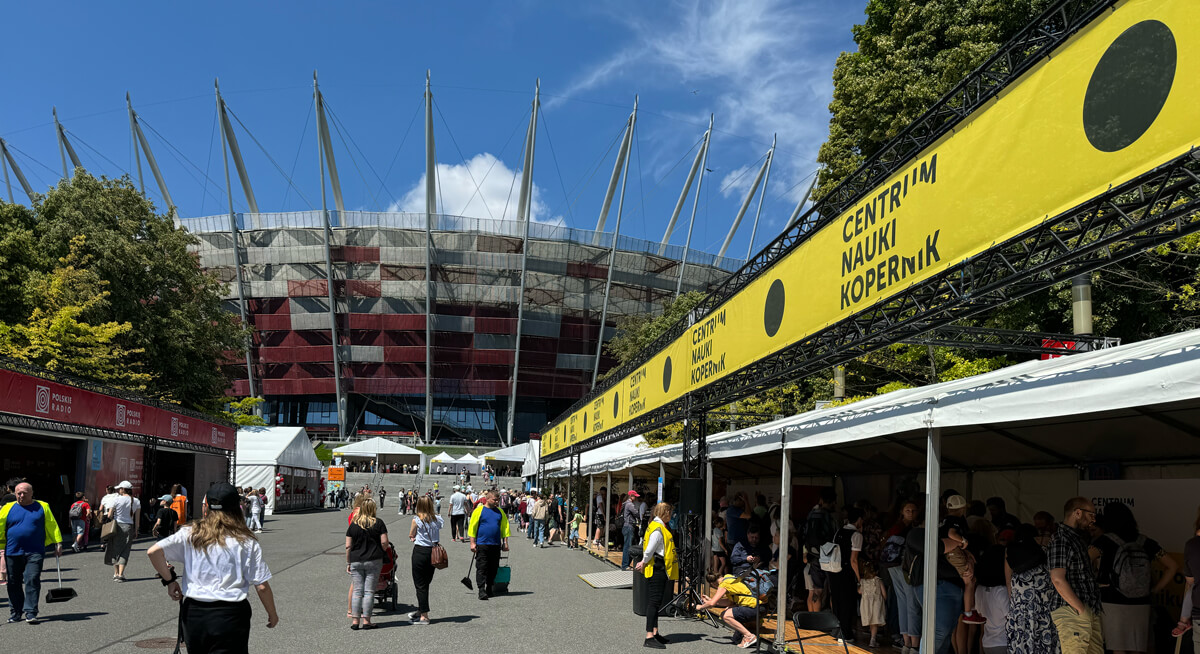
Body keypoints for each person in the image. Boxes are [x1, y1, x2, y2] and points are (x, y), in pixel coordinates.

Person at [147, 482, 278, 652]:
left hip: (194, 611)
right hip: (230, 614)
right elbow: (261, 585)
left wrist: (170, 581)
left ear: (206, 506)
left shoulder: (190, 533)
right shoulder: (245, 540)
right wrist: (272, 613)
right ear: (237, 507)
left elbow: (153, 552)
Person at [1091, 502, 1174, 654]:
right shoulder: (1145, 541)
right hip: (1141, 602)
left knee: (1118, 648)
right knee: (1138, 646)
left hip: (1112, 601)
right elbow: (1173, 566)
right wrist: (1155, 589)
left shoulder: (1104, 541)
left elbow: (1083, 560)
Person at [1, 482, 63, 624]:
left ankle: (30, 612)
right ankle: (16, 612)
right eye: (18, 493)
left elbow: (52, 525)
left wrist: (58, 542)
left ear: (32, 493)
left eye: (24, 493)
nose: (21, 495)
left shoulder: (43, 506)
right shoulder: (7, 508)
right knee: (13, 582)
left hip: (35, 551)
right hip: (12, 551)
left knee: (32, 579)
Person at [1048, 497, 1103, 654]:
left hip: (1086, 608)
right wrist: (1080, 609)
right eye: (1091, 514)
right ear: (1078, 513)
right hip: (1073, 611)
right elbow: (1057, 578)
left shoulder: (1075, 539)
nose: (1094, 519)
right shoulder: (1061, 540)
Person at [1005, 524, 1059, 653]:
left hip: (1020, 608)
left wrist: (1013, 606)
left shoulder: (1010, 551)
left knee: (1022, 642)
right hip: (1044, 607)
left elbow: (1008, 581)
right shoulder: (1044, 547)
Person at [634, 503, 677, 649]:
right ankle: (649, 636)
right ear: (665, 512)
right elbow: (650, 548)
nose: (671, 515)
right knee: (653, 602)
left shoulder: (657, 526)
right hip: (657, 568)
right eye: (670, 512)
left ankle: (655, 632)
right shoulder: (658, 529)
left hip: (659, 568)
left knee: (656, 602)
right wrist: (643, 561)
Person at [942, 495, 986, 624]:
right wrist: (963, 541)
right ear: (961, 509)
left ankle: (970, 610)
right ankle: (968, 612)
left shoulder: (944, 519)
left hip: (952, 552)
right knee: (969, 581)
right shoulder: (955, 520)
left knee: (971, 580)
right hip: (954, 552)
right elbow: (951, 533)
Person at [345, 498, 388, 629]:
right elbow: (384, 542)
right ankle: (367, 621)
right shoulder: (379, 523)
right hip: (374, 560)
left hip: (356, 560)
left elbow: (348, 546)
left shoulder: (354, 524)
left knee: (358, 591)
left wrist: (348, 562)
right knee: (369, 591)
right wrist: (383, 550)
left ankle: (355, 621)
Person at [883, 500, 919, 653]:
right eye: (908, 510)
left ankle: (906, 642)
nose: (910, 513)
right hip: (904, 567)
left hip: (892, 565)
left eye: (912, 510)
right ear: (902, 512)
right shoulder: (909, 529)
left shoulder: (894, 527)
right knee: (911, 603)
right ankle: (913, 642)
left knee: (902, 601)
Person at [697, 572, 762, 649]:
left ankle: (749, 636)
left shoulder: (724, 584)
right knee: (731, 609)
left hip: (753, 608)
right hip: (761, 607)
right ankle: (742, 636)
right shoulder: (730, 578)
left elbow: (712, 604)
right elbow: (729, 602)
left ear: (713, 583)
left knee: (726, 615)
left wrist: (700, 607)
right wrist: (711, 600)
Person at [828, 506, 864, 642]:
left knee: (837, 601)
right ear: (859, 520)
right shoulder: (856, 535)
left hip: (834, 570)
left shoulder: (839, 531)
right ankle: (846, 633)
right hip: (847, 572)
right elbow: (853, 560)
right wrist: (859, 579)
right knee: (847, 603)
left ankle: (836, 630)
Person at [468, 490, 510, 600]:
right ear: (487, 499)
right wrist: (472, 543)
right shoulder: (479, 511)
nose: (497, 502)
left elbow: (505, 528)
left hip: (495, 544)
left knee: (493, 567)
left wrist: (505, 543)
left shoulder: (500, 512)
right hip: (482, 543)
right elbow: (472, 527)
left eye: (498, 500)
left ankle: (489, 587)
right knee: (482, 567)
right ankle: (481, 589)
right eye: (494, 500)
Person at [408, 495, 442, 625]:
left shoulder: (417, 520)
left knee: (419, 584)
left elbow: (411, 535)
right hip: (433, 551)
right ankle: (421, 609)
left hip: (420, 551)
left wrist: (413, 537)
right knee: (426, 582)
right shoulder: (438, 519)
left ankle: (424, 616)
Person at [803, 488, 837, 613]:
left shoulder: (811, 514)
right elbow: (833, 536)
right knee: (833, 589)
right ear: (833, 502)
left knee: (816, 589)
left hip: (813, 556)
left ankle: (814, 618)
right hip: (828, 556)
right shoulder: (828, 517)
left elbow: (804, 533)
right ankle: (834, 620)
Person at [105, 480, 141, 582]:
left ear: (123, 489)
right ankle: (121, 574)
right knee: (125, 550)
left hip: (117, 526)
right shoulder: (137, 501)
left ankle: (116, 573)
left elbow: (109, 515)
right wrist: (136, 530)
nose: (119, 490)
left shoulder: (116, 499)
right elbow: (137, 519)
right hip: (129, 526)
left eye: (120, 489)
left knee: (114, 548)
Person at [859, 560, 887, 648]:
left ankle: (872, 638)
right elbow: (884, 593)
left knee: (872, 622)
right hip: (876, 605)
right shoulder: (878, 580)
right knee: (875, 622)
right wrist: (884, 601)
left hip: (867, 606)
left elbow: (860, 591)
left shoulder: (863, 581)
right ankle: (873, 639)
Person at [620, 490, 643, 569]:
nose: (636, 498)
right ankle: (625, 565)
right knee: (628, 546)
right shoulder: (629, 504)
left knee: (628, 545)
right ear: (631, 496)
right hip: (629, 526)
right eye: (635, 496)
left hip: (626, 526)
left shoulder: (625, 503)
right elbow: (636, 513)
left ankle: (626, 564)